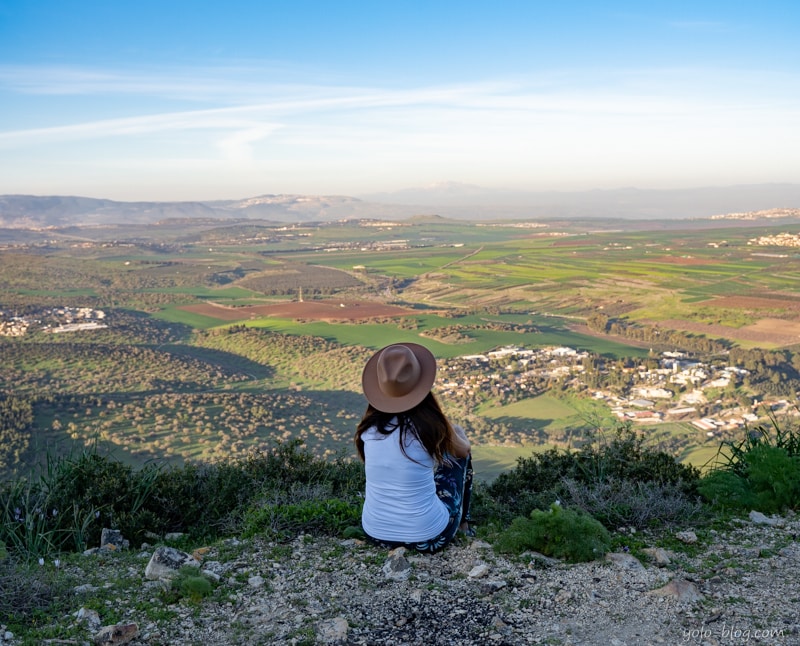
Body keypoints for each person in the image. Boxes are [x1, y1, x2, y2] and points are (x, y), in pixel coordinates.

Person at [355, 342, 474, 554]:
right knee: (459, 457)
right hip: (430, 537)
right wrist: (451, 427)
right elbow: (462, 451)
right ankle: (463, 525)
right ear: (422, 387)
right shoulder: (430, 428)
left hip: (376, 534)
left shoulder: (368, 430)